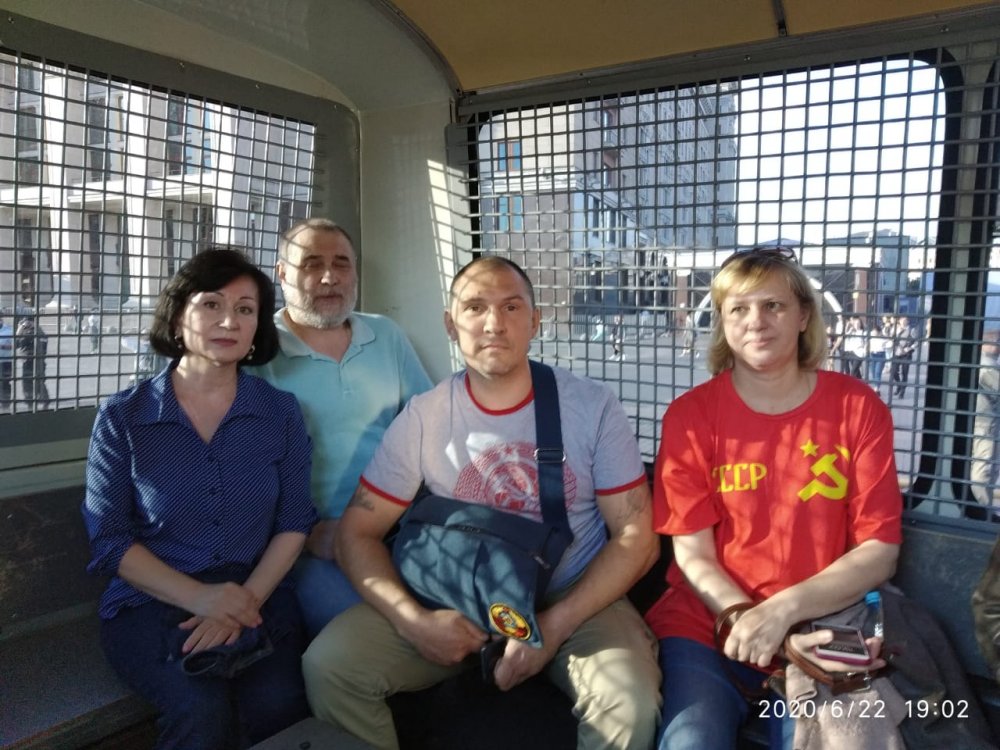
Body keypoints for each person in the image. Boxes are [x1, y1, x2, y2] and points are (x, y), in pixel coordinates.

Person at [302, 256, 661, 750]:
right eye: (474, 307)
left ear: (536, 321)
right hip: (455, 593)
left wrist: (552, 628)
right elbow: (357, 533)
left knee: (627, 703)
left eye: (511, 307)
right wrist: (414, 622)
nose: (494, 323)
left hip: (572, 595)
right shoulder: (424, 417)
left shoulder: (590, 406)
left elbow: (637, 538)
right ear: (451, 325)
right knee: (330, 666)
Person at [645, 246, 903, 749]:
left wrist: (782, 613)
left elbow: (879, 550)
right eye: (738, 309)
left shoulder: (857, 408)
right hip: (708, 627)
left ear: (803, 316)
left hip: (821, 627)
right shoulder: (691, 417)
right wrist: (751, 620)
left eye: (773, 306)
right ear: (722, 322)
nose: (756, 322)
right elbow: (693, 555)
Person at [81, 247, 318, 750]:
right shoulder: (124, 417)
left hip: (257, 592)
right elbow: (111, 540)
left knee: (279, 706)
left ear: (257, 329)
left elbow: (295, 520)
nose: (229, 321)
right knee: (199, 710)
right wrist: (200, 598)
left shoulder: (280, 413)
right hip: (152, 600)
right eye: (211, 304)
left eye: (245, 309)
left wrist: (244, 600)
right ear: (178, 316)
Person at [251, 218, 432, 638]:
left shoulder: (385, 334)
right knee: (373, 636)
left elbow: (429, 426)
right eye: (312, 264)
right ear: (282, 274)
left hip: (402, 526)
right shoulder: (259, 351)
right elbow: (245, 473)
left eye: (341, 264)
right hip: (314, 544)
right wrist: (304, 534)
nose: (329, 277)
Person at [971, 329, 1000, 508]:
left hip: (980, 422)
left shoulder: (978, 363)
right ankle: (981, 508)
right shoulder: (988, 367)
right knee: (984, 469)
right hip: (986, 425)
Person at [15, 317, 50, 408]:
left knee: (34, 382)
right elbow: (16, 344)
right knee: (32, 382)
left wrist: (21, 330)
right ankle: (36, 400)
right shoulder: (34, 331)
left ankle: (38, 401)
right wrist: (20, 330)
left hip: (33, 361)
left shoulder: (34, 332)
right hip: (32, 361)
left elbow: (16, 343)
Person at [891, 314, 918, 398]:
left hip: (906, 354)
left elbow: (917, 342)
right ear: (899, 321)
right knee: (893, 371)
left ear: (908, 321)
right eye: (902, 320)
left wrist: (909, 348)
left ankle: (902, 391)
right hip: (897, 353)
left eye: (905, 320)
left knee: (904, 372)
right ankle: (899, 385)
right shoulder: (895, 329)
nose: (903, 322)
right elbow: (891, 338)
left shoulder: (911, 330)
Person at [0, 315, 13, 410]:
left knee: (5, 382)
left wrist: (2, 347)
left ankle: (6, 403)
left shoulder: (9, 330)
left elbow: (15, 345)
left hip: (6, 361)